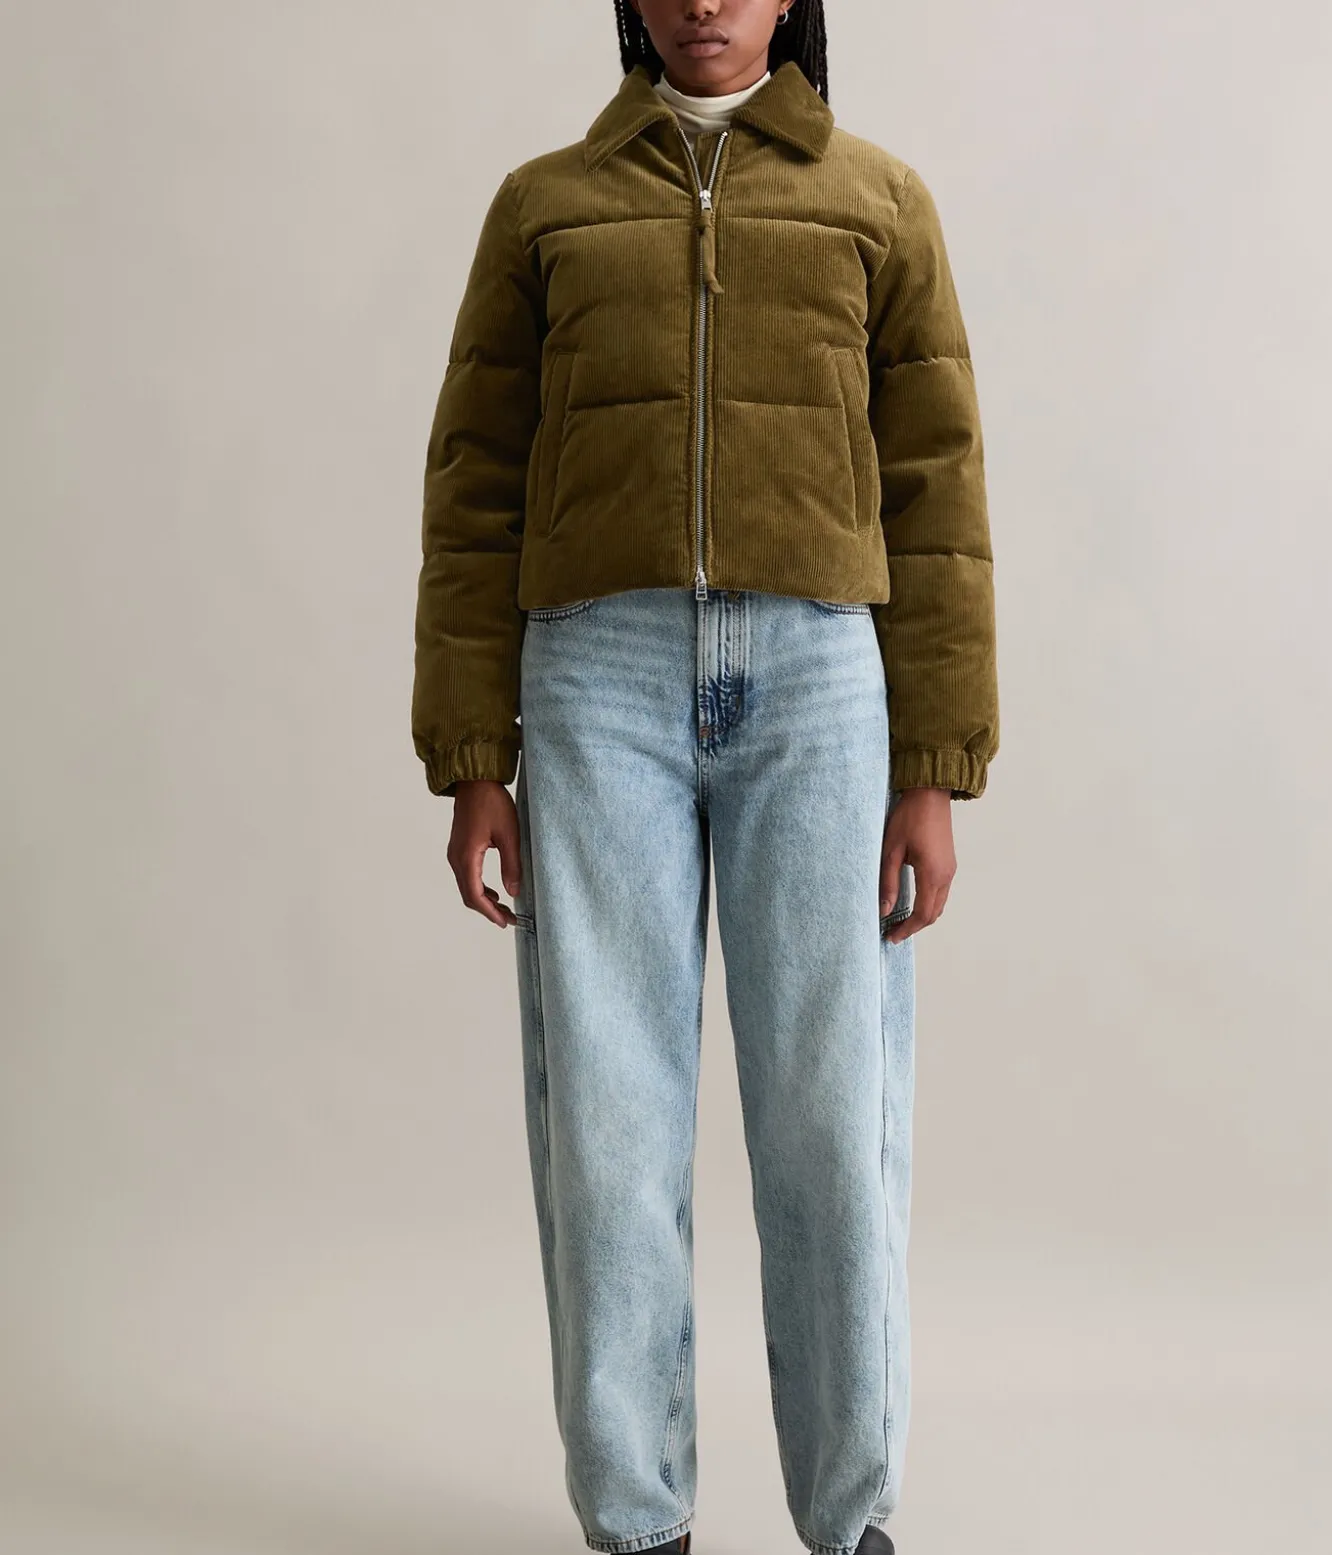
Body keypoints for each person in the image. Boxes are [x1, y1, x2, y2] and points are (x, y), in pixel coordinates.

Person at [410, 2, 999, 1551]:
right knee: (608, 1130)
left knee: (832, 1120)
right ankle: (638, 1519)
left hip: (819, 683)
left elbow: (938, 494)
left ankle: (852, 1519)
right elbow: (475, 483)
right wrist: (474, 754)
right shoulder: (543, 208)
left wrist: (934, 767)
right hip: (593, 681)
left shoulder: (878, 200)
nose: (705, 1)